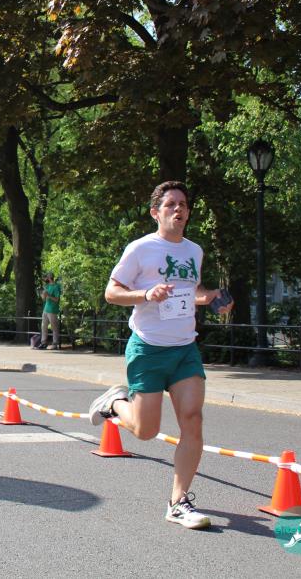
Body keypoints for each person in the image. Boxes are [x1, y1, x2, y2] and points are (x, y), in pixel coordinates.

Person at [88, 181, 233, 530]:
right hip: (148, 347)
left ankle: (178, 502)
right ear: (156, 212)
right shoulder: (140, 249)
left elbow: (192, 291)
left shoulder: (194, 251)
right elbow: (111, 292)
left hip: (184, 348)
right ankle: (114, 403)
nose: (178, 209)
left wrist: (211, 297)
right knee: (145, 431)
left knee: (192, 419)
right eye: (170, 204)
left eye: (183, 204)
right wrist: (145, 294)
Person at [37, 272, 62, 349]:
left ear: (50, 278)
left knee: (54, 327)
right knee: (43, 326)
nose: (45, 279)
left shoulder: (56, 286)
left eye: (47, 277)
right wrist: (42, 294)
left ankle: (55, 344)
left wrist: (48, 295)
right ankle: (43, 343)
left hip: (53, 310)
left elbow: (57, 299)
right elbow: (44, 299)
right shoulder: (47, 286)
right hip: (46, 309)